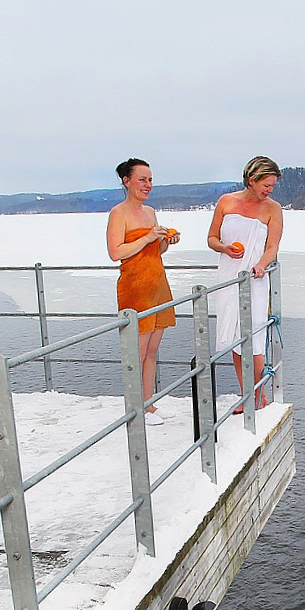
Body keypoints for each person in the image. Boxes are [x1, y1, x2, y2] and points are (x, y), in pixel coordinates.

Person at [207, 156, 283, 413]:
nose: (269, 190)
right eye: (266, 185)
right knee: (233, 336)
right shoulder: (226, 202)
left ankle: (260, 395)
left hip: (255, 278)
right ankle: (246, 395)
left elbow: (272, 246)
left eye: (272, 186)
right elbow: (211, 238)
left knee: (254, 336)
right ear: (252, 179)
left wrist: (262, 264)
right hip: (229, 276)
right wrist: (225, 248)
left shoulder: (273, 209)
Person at [107, 158, 178, 426]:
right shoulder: (119, 213)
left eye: (150, 180)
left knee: (152, 349)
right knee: (138, 350)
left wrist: (165, 241)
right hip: (135, 285)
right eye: (142, 179)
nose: (147, 185)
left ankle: (149, 403)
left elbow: (156, 251)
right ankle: (136, 408)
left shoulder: (150, 212)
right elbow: (116, 252)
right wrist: (147, 238)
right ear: (127, 181)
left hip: (157, 283)